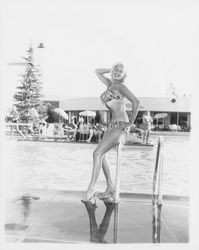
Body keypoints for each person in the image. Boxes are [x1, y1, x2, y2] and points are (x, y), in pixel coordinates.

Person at [82, 63, 140, 202]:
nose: (118, 73)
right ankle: (110, 186)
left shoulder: (121, 86)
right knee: (101, 156)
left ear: (124, 75)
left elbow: (136, 102)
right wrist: (111, 69)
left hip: (120, 125)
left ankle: (91, 189)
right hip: (112, 125)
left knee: (97, 153)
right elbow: (96, 71)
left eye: (121, 72)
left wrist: (130, 123)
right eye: (116, 70)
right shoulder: (109, 84)